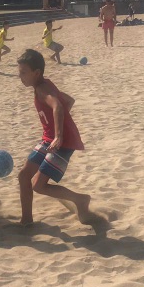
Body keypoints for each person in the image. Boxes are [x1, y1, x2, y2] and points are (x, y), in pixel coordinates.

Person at [16, 48, 93, 226]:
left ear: (37, 73)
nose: (20, 76)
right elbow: (69, 100)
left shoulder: (43, 89)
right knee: (24, 176)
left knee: (38, 185)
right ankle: (26, 220)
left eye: (23, 73)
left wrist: (59, 135)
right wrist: (57, 125)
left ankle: (80, 200)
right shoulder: (44, 85)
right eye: (19, 72)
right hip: (48, 138)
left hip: (63, 142)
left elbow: (58, 105)